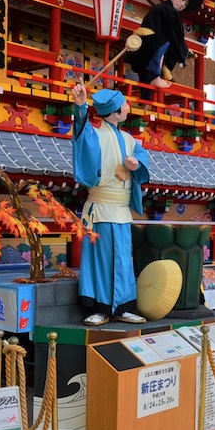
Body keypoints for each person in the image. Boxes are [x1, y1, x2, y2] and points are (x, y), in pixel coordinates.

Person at [71, 83, 150, 326]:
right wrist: (81, 106)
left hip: (122, 211)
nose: (128, 106)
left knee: (124, 259)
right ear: (116, 112)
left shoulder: (129, 139)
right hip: (102, 209)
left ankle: (125, 307)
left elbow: (143, 158)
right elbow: (81, 135)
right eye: (125, 103)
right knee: (101, 259)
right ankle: (100, 308)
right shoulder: (95, 135)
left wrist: (136, 164)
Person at [125, 0, 204, 94]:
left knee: (146, 89)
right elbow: (176, 36)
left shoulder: (162, 9)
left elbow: (176, 36)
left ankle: (147, 96)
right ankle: (155, 76)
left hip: (147, 47)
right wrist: (184, 50)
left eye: (186, 4)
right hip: (150, 46)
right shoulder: (168, 11)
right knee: (164, 43)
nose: (182, 4)